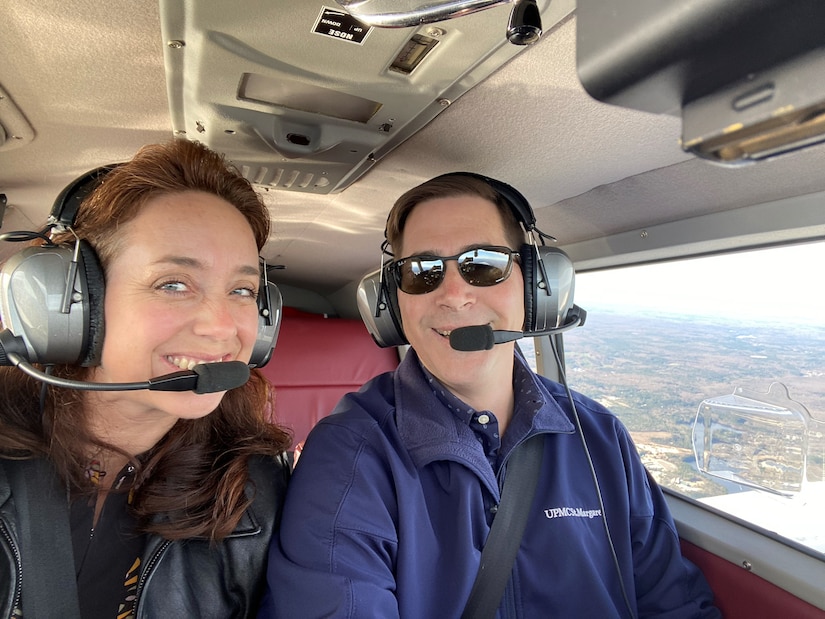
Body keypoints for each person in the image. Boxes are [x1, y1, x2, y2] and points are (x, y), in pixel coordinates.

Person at [260, 173, 720, 618]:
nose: (455, 295)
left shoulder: (600, 437)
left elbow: (672, 602)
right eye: (422, 272)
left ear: (537, 286)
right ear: (393, 303)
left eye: (485, 264)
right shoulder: (350, 456)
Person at [0, 139, 291, 618]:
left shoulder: (257, 489)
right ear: (71, 305)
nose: (222, 327)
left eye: (242, 290)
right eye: (173, 284)